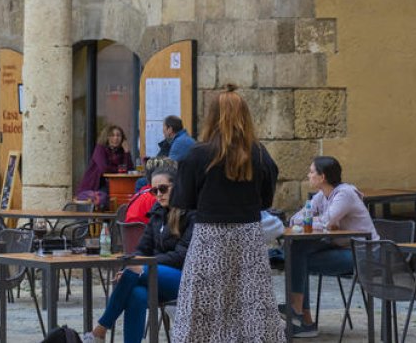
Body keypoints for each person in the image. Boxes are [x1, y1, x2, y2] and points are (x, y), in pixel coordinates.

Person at [171, 85, 283, 342]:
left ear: (211, 117)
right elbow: (266, 199)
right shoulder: (259, 154)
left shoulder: (197, 154)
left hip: (210, 236)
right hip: (248, 237)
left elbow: (184, 200)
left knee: (204, 303)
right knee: (251, 302)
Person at [84, 165, 192, 343]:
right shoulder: (157, 212)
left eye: (163, 189)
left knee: (137, 271)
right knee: (136, 294)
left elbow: (181, 256)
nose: (158, 194)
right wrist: (133, 268)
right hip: (154, 276)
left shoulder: (190, 214)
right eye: (154, 190)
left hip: (183, 279)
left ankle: (100, 329)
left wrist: (141, 267)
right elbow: (142, 248)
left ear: (177, 186)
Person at [282, 156, 378, 338]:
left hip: (362, 254)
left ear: (322, 176)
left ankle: (302, 317)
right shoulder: (323, 195)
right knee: (297, 251)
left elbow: (326, 221)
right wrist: (320, 221)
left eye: (311, 172)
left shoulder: (345, 194)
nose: (308, 175)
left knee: (298, 258)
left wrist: (320, 221)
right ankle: (302, 316)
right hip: (341, 248)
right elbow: (296, 219)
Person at [75, 125, 135, 208]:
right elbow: (104, 168)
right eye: (112, 135)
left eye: (118, 135)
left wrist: (127, 152)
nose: (116, 138)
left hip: (114, 184)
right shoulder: (100, 149)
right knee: (106, 198)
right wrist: (120, 170)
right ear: (106, 137)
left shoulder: (121, 151)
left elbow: (129, 169)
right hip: (96, 185)